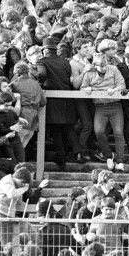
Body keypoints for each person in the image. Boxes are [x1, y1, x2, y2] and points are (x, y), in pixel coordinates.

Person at [36, 37, 84, 170]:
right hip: (67, 99)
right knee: (69, 128)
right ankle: (78, 152)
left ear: (45, 50)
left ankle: (61, 159)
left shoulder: (42, 62)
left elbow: (42, 74)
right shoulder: (65, 62)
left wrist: (41, 84)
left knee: (56, 131)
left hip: (53, 100)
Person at [81, 52, 126, 171]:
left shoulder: (114, 69)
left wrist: (115, 89)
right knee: (99, 131)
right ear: (95, 66)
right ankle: (108, 155)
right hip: (100, 106)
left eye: (105, 65)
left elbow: (122, 85)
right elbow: (82, 87)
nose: (104, 69)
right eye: (101, 67)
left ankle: (120, 161)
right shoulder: (90, 73)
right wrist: (87, 89)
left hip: (115, 105)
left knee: (118, 132)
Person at [0, 167, 32, 246]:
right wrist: (25, 188)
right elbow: (11, 194)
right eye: (22, 182)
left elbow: (18, 202)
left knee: (10, 242)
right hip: (1, 214)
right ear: (16, 177)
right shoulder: (7, 181)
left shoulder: (16, 185)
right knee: (6, 243)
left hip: (9, 214)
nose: (23, 184)